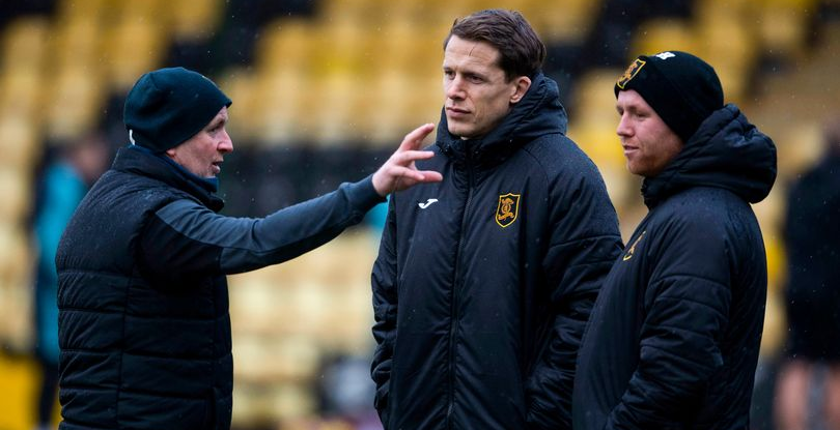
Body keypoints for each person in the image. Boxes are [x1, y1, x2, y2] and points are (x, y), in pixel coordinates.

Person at [54, 67, 442, 430]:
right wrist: (369, 189)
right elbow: (259, 239)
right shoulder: (155, 219)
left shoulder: (107, 199)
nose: (228, 144)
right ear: (173, 140)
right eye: (214, 129)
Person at [370, 9, 622, 429]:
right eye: (449, 73)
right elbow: (388, 299)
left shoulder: (564, 175)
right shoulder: (418, 172)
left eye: (474, 78)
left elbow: (590, 313)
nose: (454, 91)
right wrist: (392, 398)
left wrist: (541, 416)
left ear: (518, 88)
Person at [572, 51, 777, 429]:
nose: (621, 127)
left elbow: (677, 366)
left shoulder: (699, 221)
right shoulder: (687, 207)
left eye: (640, 114)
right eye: (620, 112)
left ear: (683, 122)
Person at [31, 133, 110, 430]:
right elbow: (53, 243)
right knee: (56, 369)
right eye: (96, 154)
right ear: (82, 151)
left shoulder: (67, 184)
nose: (99, 163)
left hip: (59, 295)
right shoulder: (64, 185)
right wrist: (76, 281)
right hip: (58, 297)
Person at [774, 120, 840, 430]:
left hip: (799, 285)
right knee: (837, 368)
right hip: (836, 289)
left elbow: (785, 231)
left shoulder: (801, 182)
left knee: (798, 360)